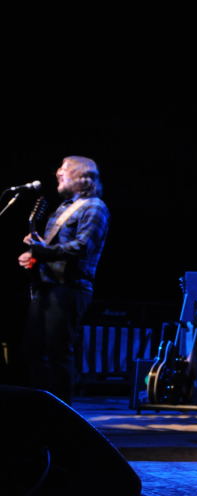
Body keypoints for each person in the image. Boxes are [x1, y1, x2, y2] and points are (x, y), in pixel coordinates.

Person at [18, 156, 110, 403]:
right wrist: (35, 251)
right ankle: (39, 407)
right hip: (46, 287)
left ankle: (62, 413)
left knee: (57, 352)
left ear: (82, 177)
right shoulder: (63, 208)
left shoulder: (94, 206)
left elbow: (83, 246)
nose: (58, 172)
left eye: (65, 168)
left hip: (70, 287)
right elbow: (52, 250)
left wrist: (42, 252)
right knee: (33, 351)